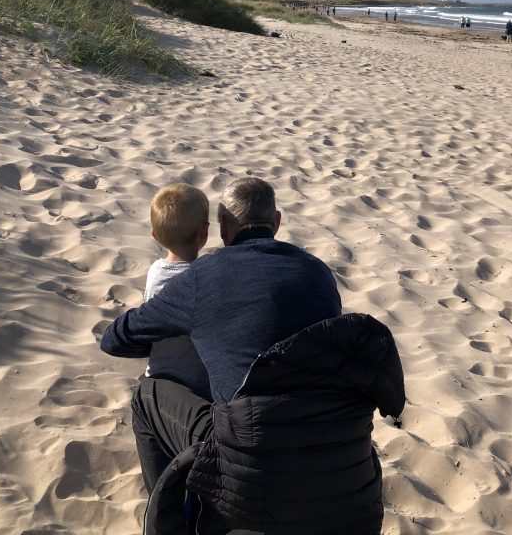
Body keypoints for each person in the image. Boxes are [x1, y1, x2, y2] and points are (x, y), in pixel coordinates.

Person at [100, 177, 404, 535]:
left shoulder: (202, 277)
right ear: (276, 222)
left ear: (223, 228)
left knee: (146, 396)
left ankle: (171, 519)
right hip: (350, 485)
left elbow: (115, 339)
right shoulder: (318, 273)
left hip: (250, 481)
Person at [144, 184, 212, 399]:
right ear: (205, 231)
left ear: (154, 235)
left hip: (159, 375)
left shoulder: (155, 272)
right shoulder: (205, 275)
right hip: (199, 382)